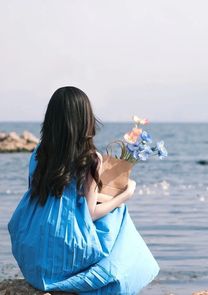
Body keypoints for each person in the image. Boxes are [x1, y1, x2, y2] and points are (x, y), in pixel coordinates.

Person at [8, 86, 160, 294]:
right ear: (85, 119)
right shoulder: (90, 158)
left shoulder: (38, 154)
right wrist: (125, 195)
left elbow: (54, 199)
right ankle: (115, 274)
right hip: (65, 261)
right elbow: (90, 213)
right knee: (118, 211)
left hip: (32, 258)